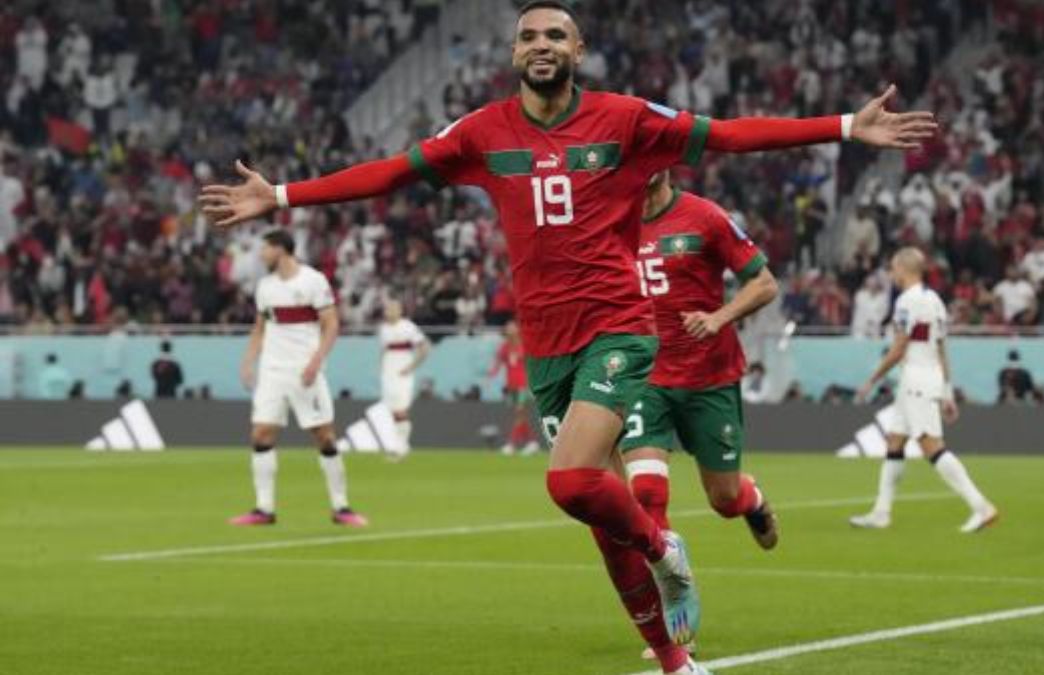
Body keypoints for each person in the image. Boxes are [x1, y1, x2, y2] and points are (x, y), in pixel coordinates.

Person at [199, 3, 936, 670]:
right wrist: (282, 195)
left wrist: (846, 126)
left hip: (618, 327)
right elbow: (391, 173)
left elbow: (729, 135)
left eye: (556, 34)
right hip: (546, 345)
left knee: (569, 481)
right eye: (528, 36)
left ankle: (664, 547)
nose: (541, 44)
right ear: (514, 53)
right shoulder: (482, 133)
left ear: (578, 50)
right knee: (597, 517)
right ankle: (675, 662)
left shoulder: (625, 120)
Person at [621, 172, 780, 658]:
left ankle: (750, 498)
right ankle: (675, 609)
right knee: (646, 492)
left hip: (710, 377)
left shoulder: (705, 217)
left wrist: (718, 318)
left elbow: (764, 283)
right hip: (645, 376)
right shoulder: (612, 220)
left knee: (723, 498)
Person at [851, 248, 998, 533]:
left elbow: (899, 347)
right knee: (895, 442)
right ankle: (881, 512)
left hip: (916, 379)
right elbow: (942, 348)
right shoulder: (935, 301)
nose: (891, 274)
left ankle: (981, 507)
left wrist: (872, 380)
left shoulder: (907, 301)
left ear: (904, 269)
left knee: (931, 446)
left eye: (893, 268)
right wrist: (947, 391)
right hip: (927, 377)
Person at [230, 229, 367, 528]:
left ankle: (341, 507)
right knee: (261, 434)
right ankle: (264, 509)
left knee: (324, 436)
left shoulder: (313, 281)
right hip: (272, 371)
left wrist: (316, 362)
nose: (261, 255)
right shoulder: (265, 286)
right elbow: (260, 328)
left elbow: (331, 324)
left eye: (265, 248)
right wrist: (248, 362)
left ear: (281, 249)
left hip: (305, 370)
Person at [378, 298, 430, 461]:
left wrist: (411, 367)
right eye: (387, 309)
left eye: (393, 308)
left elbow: (425, 348)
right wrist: (382, 368)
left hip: (403, 370)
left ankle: (401, 447)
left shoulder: (408, 327)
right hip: (388, 372)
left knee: (401, 409)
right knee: (392, 411)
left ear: (400, 311)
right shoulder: (383, 328)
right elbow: (383, 350)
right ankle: (399, 445)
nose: (389, 312)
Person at [489, 320, 539, 456]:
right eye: (508, 328)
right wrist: (491, 374)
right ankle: (532, 443)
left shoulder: (525, 345)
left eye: (512, 328)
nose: (509, 330)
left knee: (519, 412)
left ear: (518, 330)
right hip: (511, 385)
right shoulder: (505, 347)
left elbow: (533, 364)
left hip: (524, 385)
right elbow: (498, 362)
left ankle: (511, 444)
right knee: (520, 415)